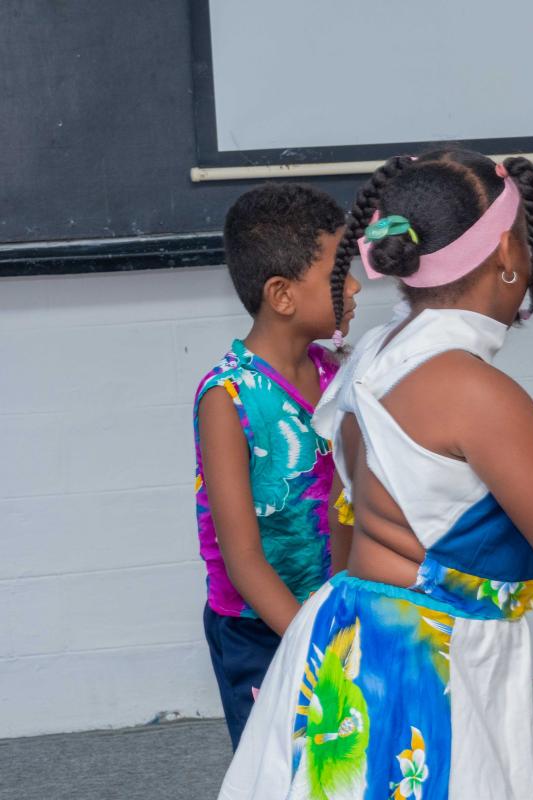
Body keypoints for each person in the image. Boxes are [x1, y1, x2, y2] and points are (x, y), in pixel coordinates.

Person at [219, 150, 533, 800]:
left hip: (352, 628)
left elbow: (343, 509)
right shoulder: (475, 392)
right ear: (507, 251)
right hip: (428, 656)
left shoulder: (375, 355)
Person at [194, 183, 360, 748]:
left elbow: (350, 504)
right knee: (278, 770)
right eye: (340, 275)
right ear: (282, 295)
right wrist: (313, 652)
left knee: (343, 762)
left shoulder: (337, 374)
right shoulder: (228, 398)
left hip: (333, 614)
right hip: (261, 630)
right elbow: (241, 558)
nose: (356, 287)